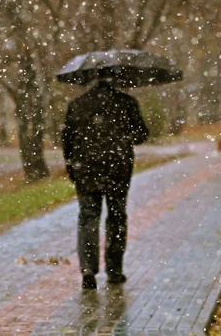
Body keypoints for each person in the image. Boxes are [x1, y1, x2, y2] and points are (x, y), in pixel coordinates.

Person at [61, 75, 149, 290]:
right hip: (117, 169)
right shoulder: (126, 103)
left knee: (88, 218)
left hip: (86, 170)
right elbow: (142, 134)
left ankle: (88, 269)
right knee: (116, 217)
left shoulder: (78, 105)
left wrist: (72, 167)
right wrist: (124, 136)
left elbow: (66, 140)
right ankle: (114, 269)